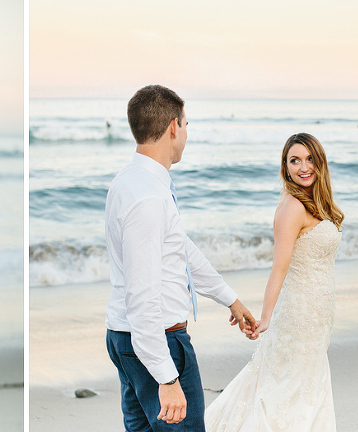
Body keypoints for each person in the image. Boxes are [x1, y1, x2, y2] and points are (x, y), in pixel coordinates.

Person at [105, 84, 258, 432]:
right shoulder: (147, 198)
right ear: (173, 126)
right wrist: (167, 377)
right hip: (157, 341)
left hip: (127, 337)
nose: (186, 134)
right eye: (187, 125)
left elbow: (181, 250)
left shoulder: (131, 182)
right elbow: (142, 296)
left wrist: (229, 299)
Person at [204, 133, 345, 432]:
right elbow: (279, 267)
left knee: (305, 382)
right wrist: (265, 315)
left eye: (309, 159)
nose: (303, 167)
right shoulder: (292, 207)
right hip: (299, 314)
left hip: (318, 316)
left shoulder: (315, 205)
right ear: (285, 166)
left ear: (320, 163)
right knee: (287, 385)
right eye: (295, 160)